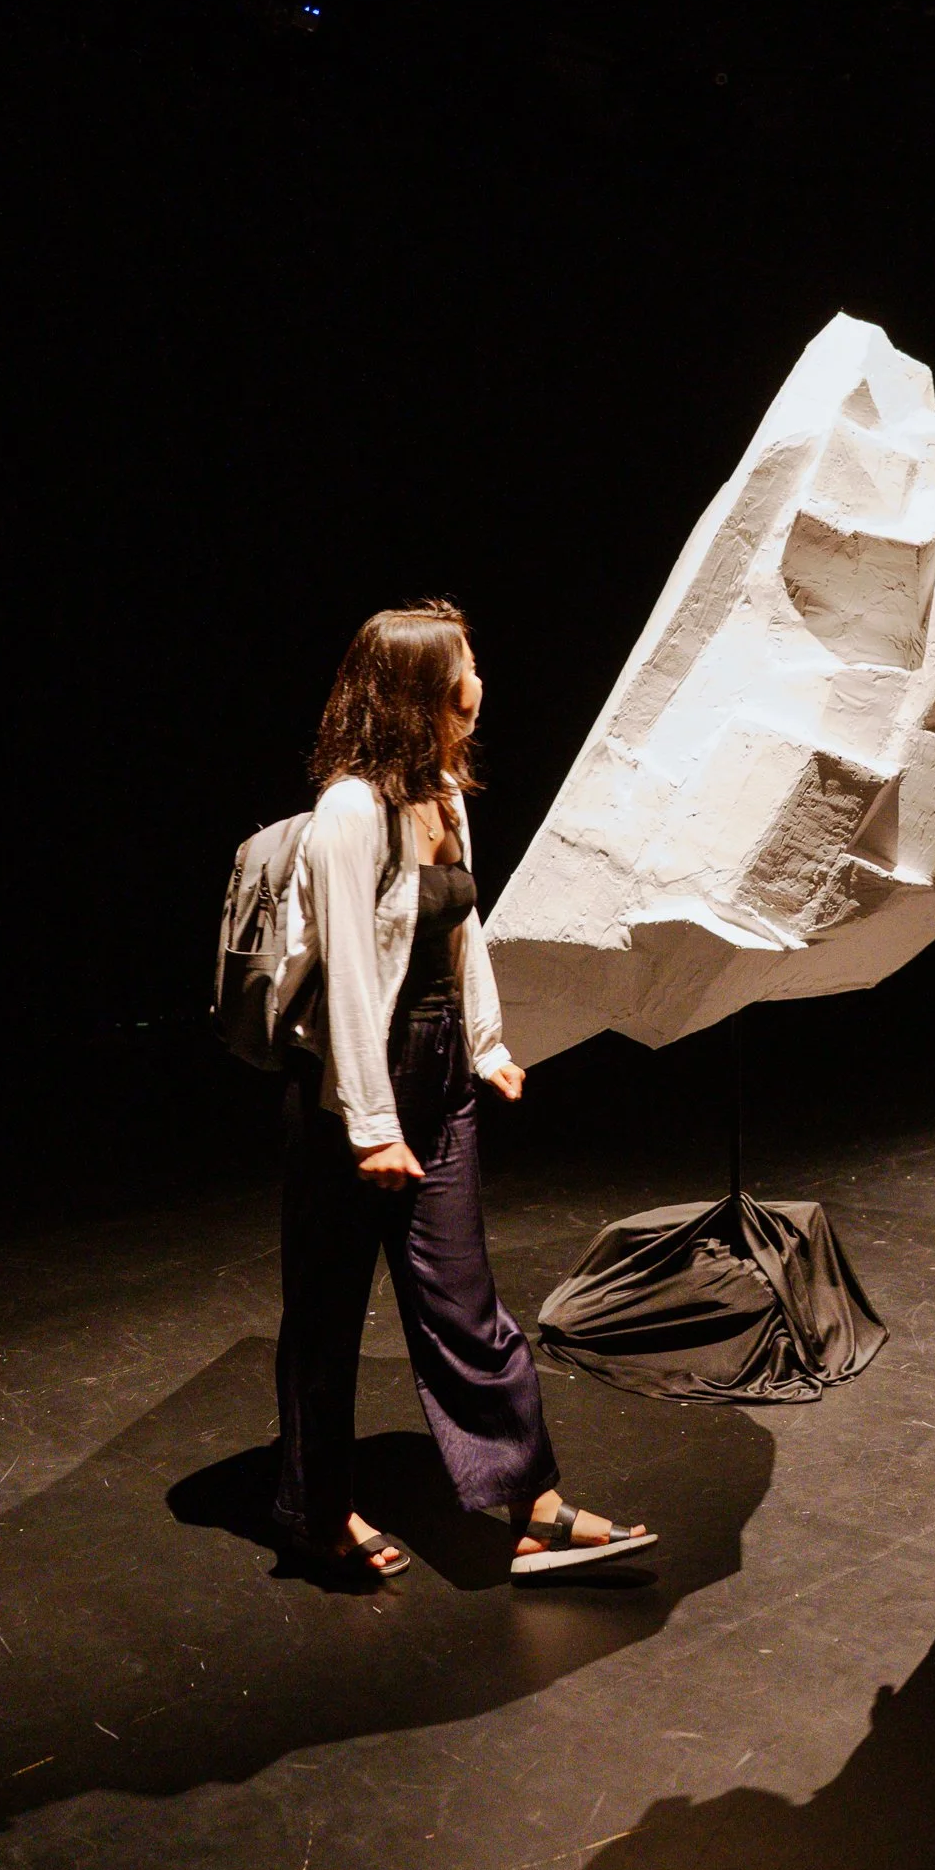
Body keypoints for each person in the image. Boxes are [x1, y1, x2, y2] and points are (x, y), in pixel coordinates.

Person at [269, 598, 655, 1581]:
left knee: (465, 1303)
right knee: (325, 1315)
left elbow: (459, 929)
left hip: (437, 1078)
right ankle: (315, 1514)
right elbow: (351, 976)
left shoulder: (444, 794)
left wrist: (486, 1043)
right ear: (420, 688)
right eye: (464, 667)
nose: (478, 682)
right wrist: (369, 1124)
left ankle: (535, 1509)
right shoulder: (348, 811)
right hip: (350, 1089)